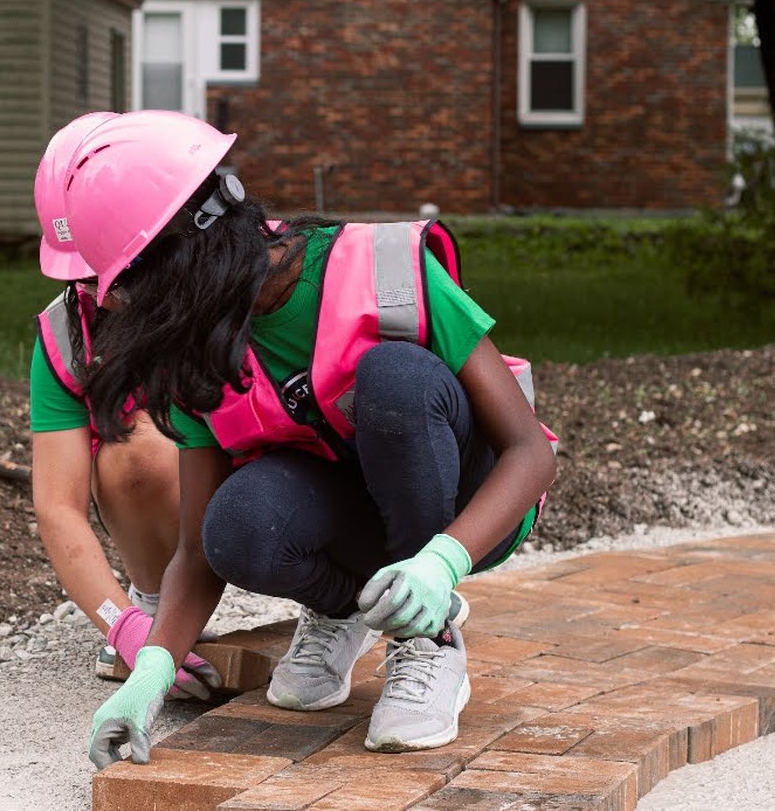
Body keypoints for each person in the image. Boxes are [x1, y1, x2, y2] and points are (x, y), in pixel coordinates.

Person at [61, 110, 558, 770]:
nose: (123, 309)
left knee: (394, 381)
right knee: (236, 524)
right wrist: (150, 670)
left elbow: (532, 451)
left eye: (130, 288)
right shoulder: (200, 351)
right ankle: (345, 610)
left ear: (184, 259)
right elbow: (198, 550)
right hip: (355, 519)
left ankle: (429, 638)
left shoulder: (380, 271)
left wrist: (442, 563)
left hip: (467, 506)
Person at [28, 112, 221, 702]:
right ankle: (161, 598)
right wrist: (125, 625)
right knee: (136, 451)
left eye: (108, 267)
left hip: (276, 483)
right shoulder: (69, 335)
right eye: (84, 278)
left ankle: (342, 603)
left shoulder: (245, 281)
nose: (100, 293)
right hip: (195, 492)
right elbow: (59, 507)